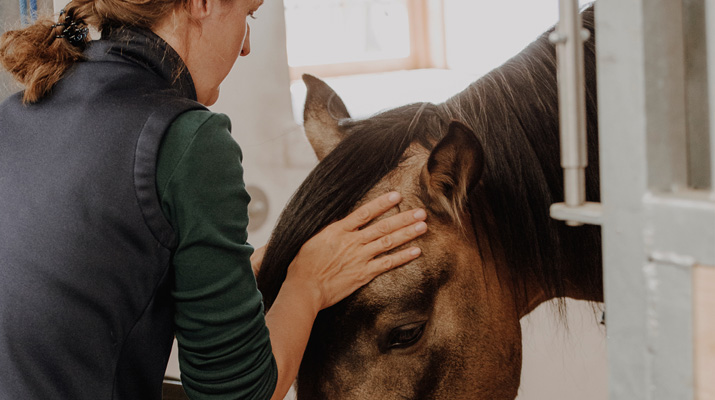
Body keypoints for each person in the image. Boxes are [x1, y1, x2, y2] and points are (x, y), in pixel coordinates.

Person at [0, 0, 428, 399]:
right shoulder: (187, 138)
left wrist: (240, 273)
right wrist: (308, 284)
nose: (245, 46)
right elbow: (237, 393)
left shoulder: (20, 109)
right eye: (249, 14)